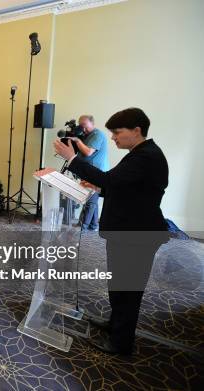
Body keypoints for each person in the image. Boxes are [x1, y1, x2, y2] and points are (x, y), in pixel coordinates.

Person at [52, 107, 169, 355]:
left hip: (136, 234)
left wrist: (73, 159)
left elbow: (111, 180)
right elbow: (126, 187)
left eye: (117, 132)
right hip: (128, 230)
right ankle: (116, 326)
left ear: (136, 130)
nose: (113, 138)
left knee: (128, 290)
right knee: (119, 285)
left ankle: (121, 343)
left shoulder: (146, 156)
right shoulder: (140, 153)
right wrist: (98, 187)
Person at [68, 115, 109, 231]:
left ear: (92, 123)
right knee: (92, 199)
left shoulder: (97, 135)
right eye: (81, 126)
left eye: (85, 126)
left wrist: (77, 140)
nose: (83, 129)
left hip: (96, 173)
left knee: (90, 200)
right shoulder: (86, 136)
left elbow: (88, 152)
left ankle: (83, 227)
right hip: (89, 172)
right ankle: (94, 225)